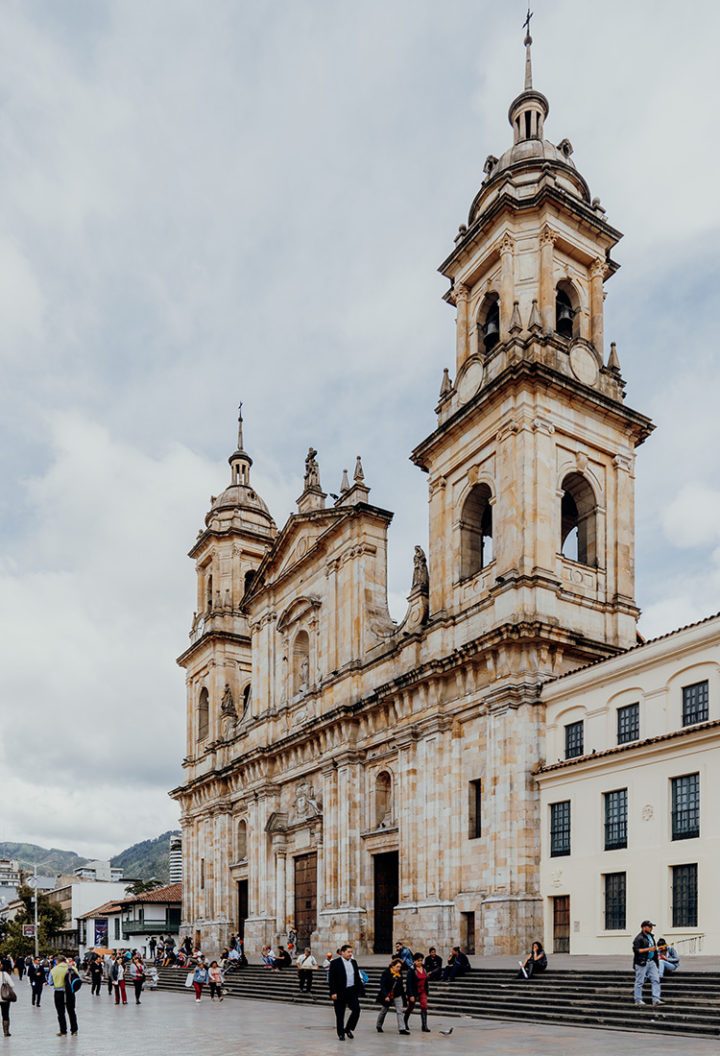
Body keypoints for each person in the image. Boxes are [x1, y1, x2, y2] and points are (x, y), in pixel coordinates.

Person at [328, 943, 364, 1041]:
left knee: (356, 1010)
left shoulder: (354, 962)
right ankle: (341, 1034)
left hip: (351, 991)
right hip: (339, 992)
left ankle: (348, 1028)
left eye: (351, 952)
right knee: (340, 1014)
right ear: (342, 952)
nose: (350, 954)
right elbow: (331, 979)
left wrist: (360, 990)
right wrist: (333, 992)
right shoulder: (335, 963)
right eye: (348, 952)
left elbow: (357, 977)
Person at [376, 956, 409, 1035]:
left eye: (400, 967)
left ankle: (402, 1029)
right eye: (397, 966)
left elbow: (401, 986)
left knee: (400, 1011)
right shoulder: (386, 973)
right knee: (384, 1011)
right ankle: (379, 1025)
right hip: (388, 994)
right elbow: (382, 985)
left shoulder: (399, 973)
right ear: (392, 966)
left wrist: (404, 996)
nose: (399, 968)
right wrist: (386, 996)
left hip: (397, 994)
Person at [633, 919, 662, 1007]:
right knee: (639, 982)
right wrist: (649, 949)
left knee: (656, 979)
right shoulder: (638, 938)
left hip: (651, 961)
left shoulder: (650, 936)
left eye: (651, 927)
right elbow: (637, 950)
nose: (651, 928)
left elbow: (653, 947)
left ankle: (656, 999)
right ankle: (638, 1000)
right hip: (641, 962)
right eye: (649, 927)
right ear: (643, 928)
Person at [50, 955, 79, 1037]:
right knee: (71, 1011)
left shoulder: (54, 970)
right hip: (70, 992)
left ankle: (63, 1031)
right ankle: (74, 1031)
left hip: (59, 993)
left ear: (57, 961)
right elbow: (77, 979)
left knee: (60, 1013)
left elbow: (50, 982)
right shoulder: (72, 968)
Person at [405, 952, 431, 1032]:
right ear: (414, 961)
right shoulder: (411, 970)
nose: (420, 962)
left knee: (424, 1006)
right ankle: (405, 1021)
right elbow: (408, 983)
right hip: (414, 992)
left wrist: (427, 991)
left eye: (421, 960)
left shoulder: (424, 968)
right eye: (418, 960)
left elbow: (426, 981)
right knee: (411, 1007)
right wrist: (411, 995)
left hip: (423, 991)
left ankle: (424, 1026)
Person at [0, 957, 15, 1037]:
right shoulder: (4, 974)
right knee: (5, 1015)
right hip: (4, 998)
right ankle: (6, 1032)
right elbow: (12, 984)